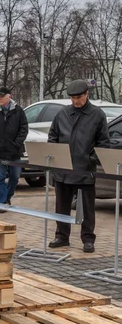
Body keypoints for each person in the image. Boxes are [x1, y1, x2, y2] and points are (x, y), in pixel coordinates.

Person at [47, 80, 110, 253]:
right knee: (62, 205)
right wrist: (56, 157)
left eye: (79, 97)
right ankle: (62, 236)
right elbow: (53, 136)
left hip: (85, 169)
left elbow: (104, 143)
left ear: (87, 94)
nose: (76, 101)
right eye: (73, 98)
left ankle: (88, 239)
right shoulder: (63, 113)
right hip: (64, 169)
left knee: (88, 208)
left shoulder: (97, 115)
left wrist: (91, 159)